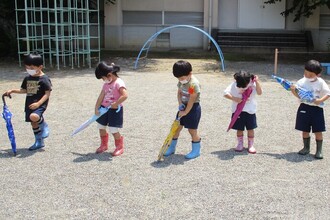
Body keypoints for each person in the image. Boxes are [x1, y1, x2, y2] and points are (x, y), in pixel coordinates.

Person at [3, 53, 52, 151]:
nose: (29, 69)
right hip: (30, 103)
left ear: (40, 67)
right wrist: (12, 90)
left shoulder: (44, 79)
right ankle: (39, 141)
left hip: (39, 103)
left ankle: (44, 125)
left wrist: (38, 103)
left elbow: (47, 94)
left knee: (34, 117)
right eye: (27, 67)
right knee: (33, 122)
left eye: (32, 67)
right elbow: (25, 90)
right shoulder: (28, 78)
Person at [290, 60, 330, 159]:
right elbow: (298, 95)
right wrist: (293, 90)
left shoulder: (321, 82)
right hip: (304, 107)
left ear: (318, 74)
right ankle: (306, 148)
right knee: (304, 129)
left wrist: (320, 100)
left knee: (318, 130)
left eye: (310, 74)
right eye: (305, 73)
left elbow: (328, 93)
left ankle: (319, 150)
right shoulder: (301, 81)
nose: (307, 75)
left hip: (317, 109)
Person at [164, 60, 202, 159]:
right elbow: (179, 93)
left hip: (193, 108)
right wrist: (180, 104)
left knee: (192, 130)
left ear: (190, 73)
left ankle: (196, 150)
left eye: (182, 78)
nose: (180, 80)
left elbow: (192, 100)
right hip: (184, 107)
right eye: (178, 78)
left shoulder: (193, 84)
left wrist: (185, 112)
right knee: (176, 128)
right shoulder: (181, 80)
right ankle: (171, 148)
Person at [224, 70, 262, 153]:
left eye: (244, 86)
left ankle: (251, 145)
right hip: (238, 111)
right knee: (239, 128)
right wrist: (235, 99)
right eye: (240, 86)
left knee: (250, 128)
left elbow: (259, 92)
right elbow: (225, 93)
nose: (242, 88)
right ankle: (240, 143)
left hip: (250, 111)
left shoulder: (252, 84)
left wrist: (257, 82)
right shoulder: (234, 84)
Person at [94, 62, 128, 156]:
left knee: (113, 129)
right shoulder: (106, 85)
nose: (103, 80)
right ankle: (103, 145)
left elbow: (125, 95)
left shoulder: (119, 82)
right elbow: (101, 96)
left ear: (109, 75)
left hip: (115, 110)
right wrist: (96, 107)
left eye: (103, 78)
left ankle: (119, 146)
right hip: (104, 109)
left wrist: (116, 103)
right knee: (101, 127)